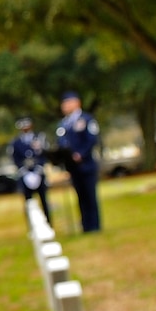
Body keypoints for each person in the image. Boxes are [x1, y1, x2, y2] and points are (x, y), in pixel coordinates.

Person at [54, 93, 103, 234]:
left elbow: (92, 139)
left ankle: (94, 226)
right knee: (80, 197)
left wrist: (81, 154)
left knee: (90, 196)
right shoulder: (63, 124)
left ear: (77, 103)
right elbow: (62, 142)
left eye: (68, 103)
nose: (65, 106)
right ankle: (85, 225)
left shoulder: (86, 119)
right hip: (72, 167)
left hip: (86, 164)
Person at [10, 120, 52, 223]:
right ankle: (32, 224)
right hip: (25, 173)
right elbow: (15, 158)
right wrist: (23, 170)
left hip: (38, 171)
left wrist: (39, 167)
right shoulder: (16, 142)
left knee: (44, 199)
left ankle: (48, 222)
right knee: (28, 201)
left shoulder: (39, 138)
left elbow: (44, 154)